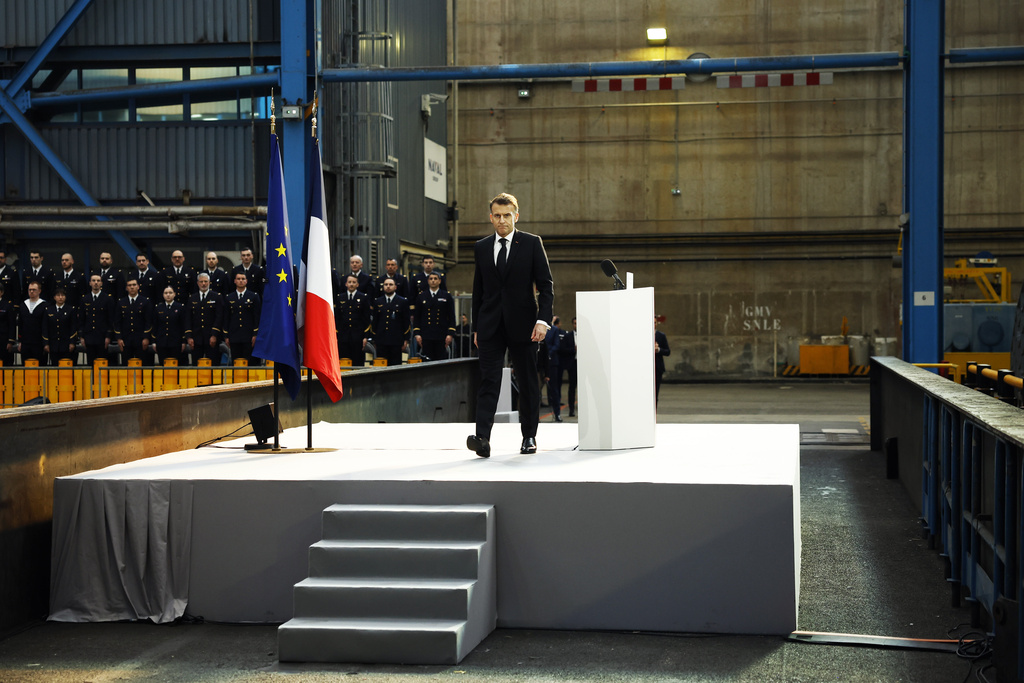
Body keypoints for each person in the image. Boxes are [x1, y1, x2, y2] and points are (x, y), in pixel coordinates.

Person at [467, 192, 554, 458]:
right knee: (489, 380)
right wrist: (476, 328)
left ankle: (529, 436)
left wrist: (543, 321)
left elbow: (547, 286)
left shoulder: (530, 243)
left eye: (507, 215)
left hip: (525, 325)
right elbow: (478, 291)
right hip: (490, 325)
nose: (502, 220)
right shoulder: (481, 247)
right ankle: (482, 437)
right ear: (490, 217)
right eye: (497, 215)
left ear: (516, 216)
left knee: (527, 382)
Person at [413, 273, 456, 362]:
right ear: (428, 281)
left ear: (439, 281)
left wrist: (450, 333)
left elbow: (451, 316)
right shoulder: (421, 296)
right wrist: (417, 333)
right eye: (431, 278)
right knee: (427, 361)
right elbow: (417, 317)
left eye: (435, 279)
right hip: (426, 334)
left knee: (441, 361)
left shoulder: (446, 296)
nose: (433, 280)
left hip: (441, 334)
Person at [186, 272, 225, 365]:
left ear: (209, 282)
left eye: (206, 281)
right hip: (196, 337)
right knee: (196, 364)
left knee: (214, 364)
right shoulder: (192, 298)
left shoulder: (217, 297)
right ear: (197, 283)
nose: (203, 284)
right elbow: (188, 318)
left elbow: (219, 317)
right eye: (201, 281)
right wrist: (189, 336)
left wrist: (214, 335)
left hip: (211, 337)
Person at [224, 272, 261, 365]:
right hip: (234, 335)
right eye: (239, 279)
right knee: (236, 362)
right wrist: (226, 336)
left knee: (250, 362)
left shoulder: (254, 296)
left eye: (243, 279)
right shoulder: (229, 297)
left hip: (249, 336)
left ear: (246, 281)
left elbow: (257, 317)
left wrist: (255, 334)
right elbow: (226, 318)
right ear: (235, 281)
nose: (241, 281)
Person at [114, 277, 153, 365]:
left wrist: (146, 337)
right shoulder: (121, 302)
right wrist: (119, 338)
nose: (132, 287)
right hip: (126, 340)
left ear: (138, 287)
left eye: (134, 285)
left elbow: (148, 321)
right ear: (126, 288)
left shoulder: (145, 301)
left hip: (141, 339)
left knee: (143, 364)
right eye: (129, 285)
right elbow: (117, 322)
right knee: (126, 364)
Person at [371, 277, 409, 366]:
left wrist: (406, 339)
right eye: (386, 285)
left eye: (391, 284)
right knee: (381, 365)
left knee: (395, 365)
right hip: (381, 339)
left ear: (395, 287)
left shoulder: (402, 301)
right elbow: (375, 322)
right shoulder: (378, 302)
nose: (388, 286)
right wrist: (374, 339)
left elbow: (406, 322)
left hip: (396, 340)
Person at [335, 274, 371, 366]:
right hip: (343, 336)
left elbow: (366, 318)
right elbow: (337, 318)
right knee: (343, 361)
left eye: (354, 282)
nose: (351, 284)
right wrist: (336, 335)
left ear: (357, 285)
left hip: (358, 336)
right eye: (349, 282)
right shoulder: (340, 298)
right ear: (346, 284)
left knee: (358, 361)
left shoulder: (363, 297)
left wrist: (365, 336)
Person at [80, 274, 115, 365]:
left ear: (101, 283)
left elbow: (111, 319)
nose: (96, 283)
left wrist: (108, 336)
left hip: (102, 337)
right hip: (89, 336)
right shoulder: (85, 299)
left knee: (102, 363)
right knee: (91, 364)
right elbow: (81, 319)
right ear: (90, 283)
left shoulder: (108, 299)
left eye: (98, 281)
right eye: (94, 281)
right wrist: (81, 336)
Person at [153, 285, 187, 365]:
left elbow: (183, 326)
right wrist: (154, 341)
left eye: (170, 293)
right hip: (162, 342)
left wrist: (183, 341)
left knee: (175, 365)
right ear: (163, 295)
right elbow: (155, 325)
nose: (168, 295)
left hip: (176, 342)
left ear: (174, 294)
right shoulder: (158, 307)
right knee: (163, 364)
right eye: (166, 293)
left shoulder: (180, 307)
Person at [17, 281, 49, 364]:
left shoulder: (45, 305)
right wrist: (20, 341)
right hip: (25, 343)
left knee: (40, 366)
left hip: (39, 343)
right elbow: (20, 324)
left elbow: (46, 325)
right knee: (26, 367)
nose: (31, 292)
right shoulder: (23, 305)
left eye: (34, 290)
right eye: (30, 290)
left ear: (39, 291)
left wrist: (46, 342)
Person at [46, 287, 79, 365]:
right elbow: (46, 327)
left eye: (62, 295)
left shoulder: (71, 310)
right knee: (54, 367)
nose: (60, 297)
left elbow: (73, 327)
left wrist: (72, 342)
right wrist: (46, 343)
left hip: (66, 344)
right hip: (53, 345)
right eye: (58, 295)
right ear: (54, 297)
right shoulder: (49, 310)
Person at [544, 316, 566, 422]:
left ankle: (557, 414)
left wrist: (548, 354)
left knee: (554, 389)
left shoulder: (555, 330)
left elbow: (557, 345)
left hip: (551, 362)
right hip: (540, 363)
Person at [559, 317, 579, 417]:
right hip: (573, 364)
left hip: (584, 364)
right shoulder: (568, 336)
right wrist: (573, 349)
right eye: (575, 323)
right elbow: (562, 349)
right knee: (572, 387)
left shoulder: (586, 336)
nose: (576, 325)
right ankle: (571, 409)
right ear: (572, 324)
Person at [655, 317, 671, 406]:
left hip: (657, 367)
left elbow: (667, 351)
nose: (653, 324)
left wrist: (658, 350)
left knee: (655, 393)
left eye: (655, 322)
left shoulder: (661, 335)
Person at [0, 283, 14, 367]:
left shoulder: (7, 305)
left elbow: (12, 324)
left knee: (5, 363)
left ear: (1, 292)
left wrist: (10, 341)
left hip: (3, 340)